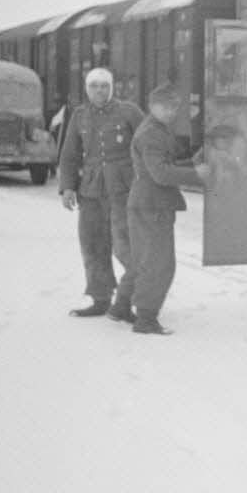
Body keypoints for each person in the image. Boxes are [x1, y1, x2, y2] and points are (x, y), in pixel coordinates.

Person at [58, 67, 144, 320]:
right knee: (93, 244)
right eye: (94, 86)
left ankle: (132, 301)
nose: (99, 90)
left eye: (104, 86)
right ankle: (101, 299)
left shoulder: (129, 111)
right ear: (87, 89)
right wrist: (68, 187)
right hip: (91, 190)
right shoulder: (79, 115)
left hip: (124, 190)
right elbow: (70, 154)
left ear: (112, 88)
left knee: (126, 247)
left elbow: (148, 144)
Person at [125, 83, 210, 335]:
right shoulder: (152, 133)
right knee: (158, 264)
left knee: (145, 260)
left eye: (174, 107)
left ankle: (122, 308)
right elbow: (160, 174)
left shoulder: (157, 129)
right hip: (152, 205)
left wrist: (191, 163)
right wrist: (196, 174)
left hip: (149, 203)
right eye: (165, 106)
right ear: (152, 106)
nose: (171, 111)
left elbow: (164, 164)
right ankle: (145, 319)